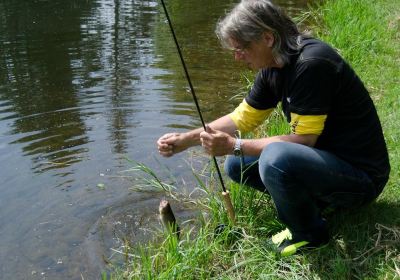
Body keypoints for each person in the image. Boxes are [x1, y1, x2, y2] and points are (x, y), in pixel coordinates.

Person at [157, 0, 390, 256]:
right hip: (330, 166)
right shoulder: (273, 67)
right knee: (237, 165)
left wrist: (234, 145)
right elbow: (242, 118)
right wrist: (186, 139)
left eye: (241, 48)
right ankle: (315, 207)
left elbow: (304, 140)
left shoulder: (311, 65)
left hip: (362, 180)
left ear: (267, 38)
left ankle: (310, 235)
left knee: (275, 158)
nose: (237, 57)